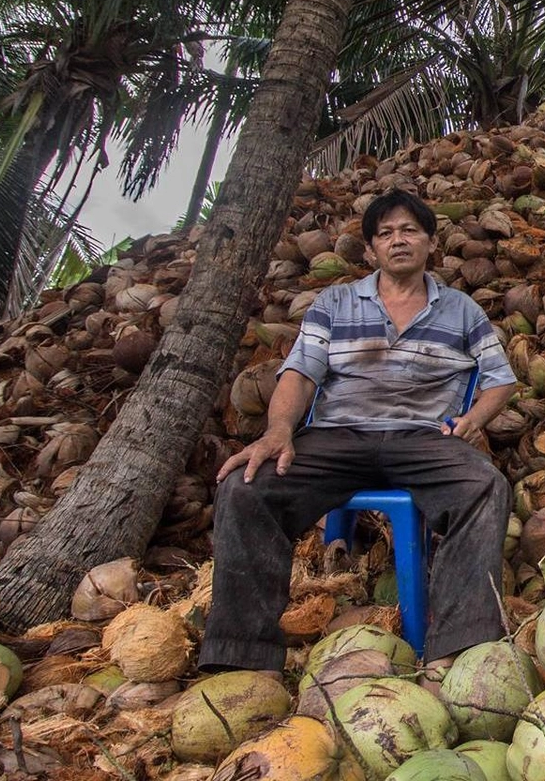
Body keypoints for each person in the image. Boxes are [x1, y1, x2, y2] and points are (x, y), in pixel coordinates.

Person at [199, 190, 518, 673]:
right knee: (247, 488)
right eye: (386, 233)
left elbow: (500, 379)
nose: (399, 240)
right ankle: (244, 657)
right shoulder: (336, 301)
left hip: (422, 437)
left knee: (485, 487)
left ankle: (457, 648)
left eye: (409, 230)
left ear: (431, 242)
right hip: (338, 436)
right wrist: (278, 430)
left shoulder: (461, 310)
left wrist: (474, 419)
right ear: (370, 250)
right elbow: (300, 372)